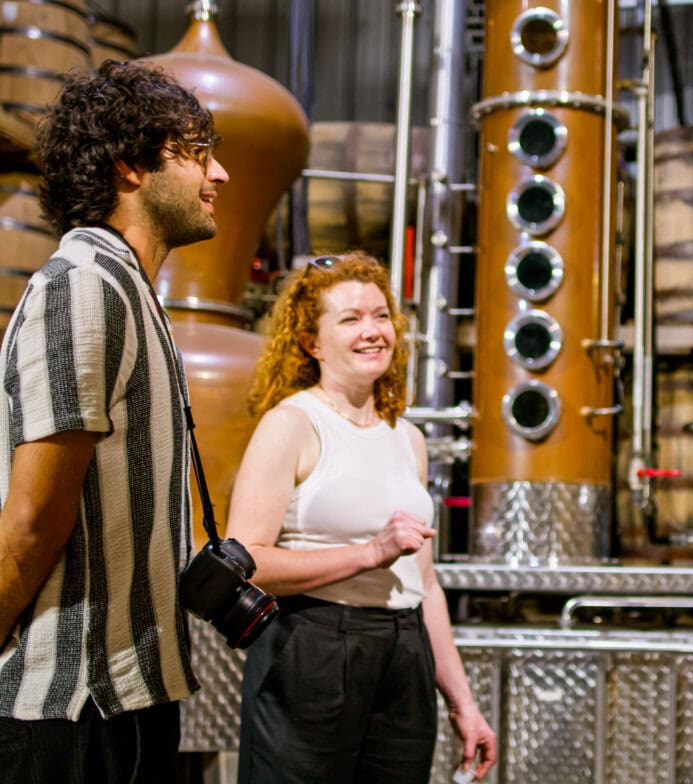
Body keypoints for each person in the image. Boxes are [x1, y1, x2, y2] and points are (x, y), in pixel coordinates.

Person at [0, 61, 229, 781]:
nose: (218, 174)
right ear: (130, 164)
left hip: (117, 705)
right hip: (69, 709)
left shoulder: (126, 292)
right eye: (197, 153)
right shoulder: (82, 288)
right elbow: (34, 521)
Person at [227, 252, 497, 783]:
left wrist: (463, 702)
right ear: (311, 342)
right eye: (350, 319)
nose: (373, 331)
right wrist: (369, 553)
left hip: (403, 651)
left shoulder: (408, 437)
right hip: (314, 645)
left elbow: (425, 584)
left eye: (381, 316)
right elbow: (247, 562)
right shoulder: (293, 424)